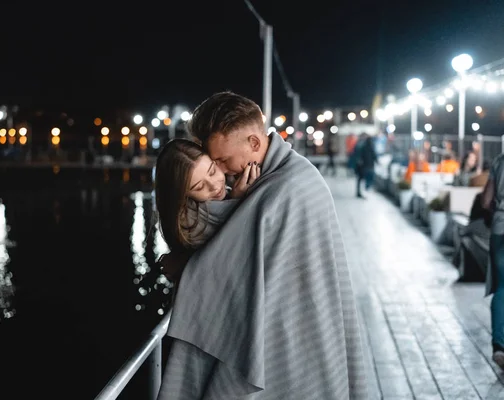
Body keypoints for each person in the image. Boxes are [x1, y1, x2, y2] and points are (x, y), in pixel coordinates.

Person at [157, 91, 368, 399]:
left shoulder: (284, 189)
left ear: (254, 144)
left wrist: (185, 267)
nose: (223, 174)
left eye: (222, 162)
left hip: (293, 336)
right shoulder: (288, 176)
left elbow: (224, 267)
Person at [154, 138, 260, 283]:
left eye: (212, 172)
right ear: (182, 195)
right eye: (198, 187)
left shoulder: (232, 192)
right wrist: (237, 204)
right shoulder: (189, 228)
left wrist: (235, 199)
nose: (214, 186)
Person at [481, 153, 504, 370]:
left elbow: (486, 201)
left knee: (502, 288)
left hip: (500, 227)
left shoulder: (498, 161)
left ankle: (499, 346)